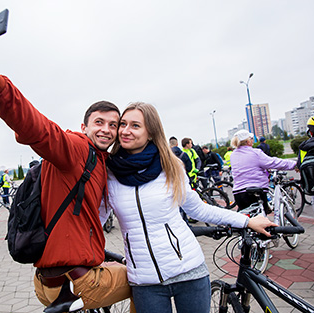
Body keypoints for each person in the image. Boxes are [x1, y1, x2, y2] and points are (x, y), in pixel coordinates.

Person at [0, 24, 134, 311]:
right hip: (79, 281)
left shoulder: (101, 161)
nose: (106, 130)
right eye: (99, 123)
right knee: (148, 280)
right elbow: (35, 127)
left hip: (51, 281)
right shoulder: (76, 149)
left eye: (113, 125)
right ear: (83, 127)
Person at [100, 102, 275, 313]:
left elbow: (198, 209)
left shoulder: (171, 167)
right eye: (123, 124)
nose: (125, 131)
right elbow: (97, 218)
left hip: (189, 270)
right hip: (144, 279)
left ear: (151, 133)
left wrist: (246, 221)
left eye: (135, 126)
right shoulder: (108, 173)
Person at [230, 129, 296, 213]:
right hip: (255, 192)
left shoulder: (233, 155)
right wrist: (294, 164)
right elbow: (274, 163)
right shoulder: (255, 153)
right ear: (247, 141)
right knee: (261, 222)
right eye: (251, 139)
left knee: (249, 220)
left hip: (238, 193)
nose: (253, 141)